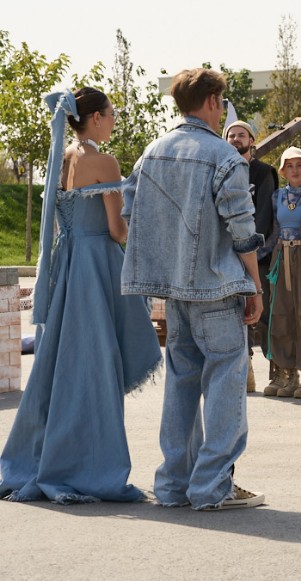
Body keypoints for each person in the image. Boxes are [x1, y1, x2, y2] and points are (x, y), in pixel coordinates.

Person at [0, 88, 162, 504]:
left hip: (69, 264)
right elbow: (116, 230)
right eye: (111, 114)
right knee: (95, 368)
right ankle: (90, 467)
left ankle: (47, 457)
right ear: (93, 117)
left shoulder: (64, 157)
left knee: (62, 365)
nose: (114, 121)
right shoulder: (103, 161)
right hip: (96, 266)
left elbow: (59, 224)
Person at [121, 67, 264, 510]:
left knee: (181, 384)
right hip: (218, 290)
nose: (222, 110)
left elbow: (129, 212)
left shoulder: (152, 152)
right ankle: (211, 486)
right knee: (224, 382)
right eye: (220, 101)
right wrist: (255, 286)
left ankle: (173, 486)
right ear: (209, 103)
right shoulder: (224, 156)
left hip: (174, 292)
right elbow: (242, 229)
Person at [263, 147, 301, 399]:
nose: (295, 170)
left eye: (299, 165)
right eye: (290, 165)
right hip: (281, 256)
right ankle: (288, 374)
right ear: (283, 170)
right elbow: (273, 230)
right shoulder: (277, 195)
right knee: (281, 313)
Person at [224, 120, 278, 393]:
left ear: (252, 140)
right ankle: (244, 372)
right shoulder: (220, 172)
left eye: (240, 135)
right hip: (227, 257)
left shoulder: (263, 172)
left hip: (260, 255)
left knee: (264, 314)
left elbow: (266, 219)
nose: (235, 139)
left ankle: (276, 373)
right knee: (236, 316)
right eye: (231, 135)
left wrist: (253, 250)